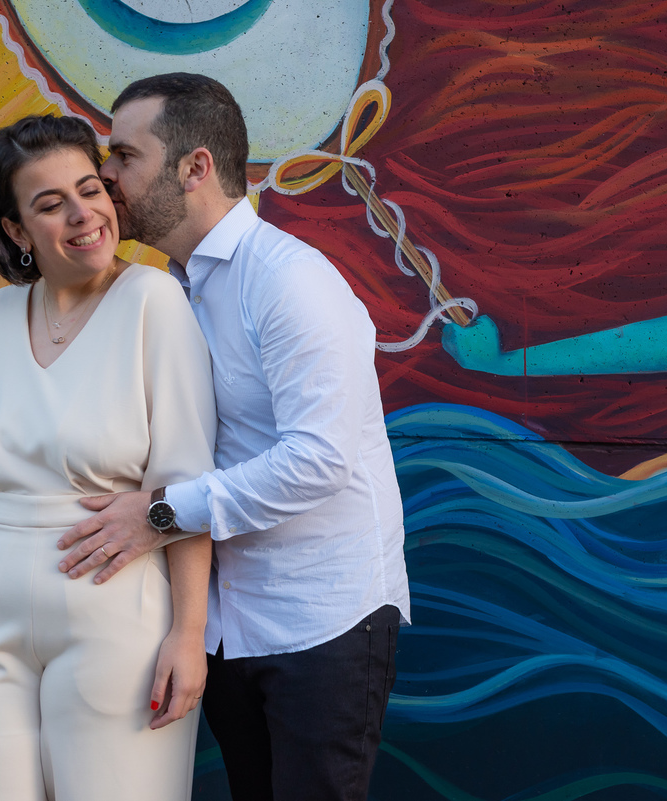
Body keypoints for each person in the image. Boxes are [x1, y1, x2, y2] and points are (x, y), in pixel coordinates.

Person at [46, 73, 411, 800]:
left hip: (323, 621)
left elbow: (321, 459)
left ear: (196, 166)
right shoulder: (170, 290)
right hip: (226, 622)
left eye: (123, 156)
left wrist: (159, 513)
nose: (106, 177)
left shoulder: (290, 281)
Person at [0, 114, 217, 801]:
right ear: (17, 230)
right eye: (51, 204)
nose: (84, 215)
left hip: (114, 610)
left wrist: (190, 634)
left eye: (90, 190)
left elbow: (186, 479)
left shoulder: (153, 301)